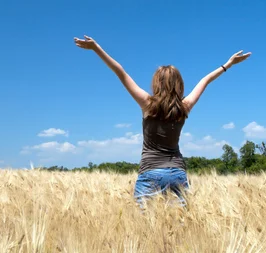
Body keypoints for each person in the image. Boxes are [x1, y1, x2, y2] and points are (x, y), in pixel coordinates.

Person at [74, 35, 251, 208]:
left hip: (150, 172)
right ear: (179, 84)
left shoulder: (147, 103)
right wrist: (228, 64)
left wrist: (96, 48)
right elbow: (205, 80)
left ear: (156, 83)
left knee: (146, 229)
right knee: (178, 228)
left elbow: (121, 72)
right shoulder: (184, 107)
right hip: (177, 173)